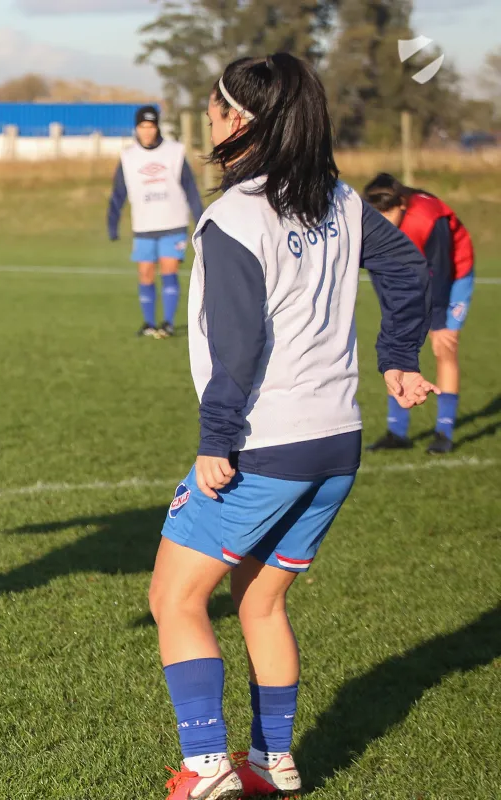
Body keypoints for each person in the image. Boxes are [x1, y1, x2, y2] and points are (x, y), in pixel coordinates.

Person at [147, 54, 437, 799]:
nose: (205, 115)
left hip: (264, 443)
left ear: (239, 119)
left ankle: (206, 768)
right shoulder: (338, 198)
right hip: (337, 443)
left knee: (174, 599)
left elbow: (238, 343)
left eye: (213, 105)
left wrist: (216, 439)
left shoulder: (236, 216)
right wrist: (398, 357)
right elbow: (407, 268)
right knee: (261, 600)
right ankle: (271, 763)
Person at [363, 173, 475, 454]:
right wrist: (393, 316)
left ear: (402, 203)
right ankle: (397, 433)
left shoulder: (428, 217)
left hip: (454, 274)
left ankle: (444, 433)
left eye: (388, 211)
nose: (383, 219)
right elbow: (381, 275)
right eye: (377, 213)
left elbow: (441, 272)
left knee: (444, 346)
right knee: (394, 345)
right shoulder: (371, 225)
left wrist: (439, 323)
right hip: (412, 279)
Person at [107, 105, 204, 338]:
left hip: (173, 222)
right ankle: (149, 323)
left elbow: (190, 188)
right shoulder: (128, 157)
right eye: (142, 126)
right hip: (143, 225)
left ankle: (167, 323)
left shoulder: (174, 152)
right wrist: (112, 223)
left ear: (157, 127)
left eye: (151, 126)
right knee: (145, 273)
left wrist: (199, 219)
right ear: (136, 128)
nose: (147, 131)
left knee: (169, 271)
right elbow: (118, 192)